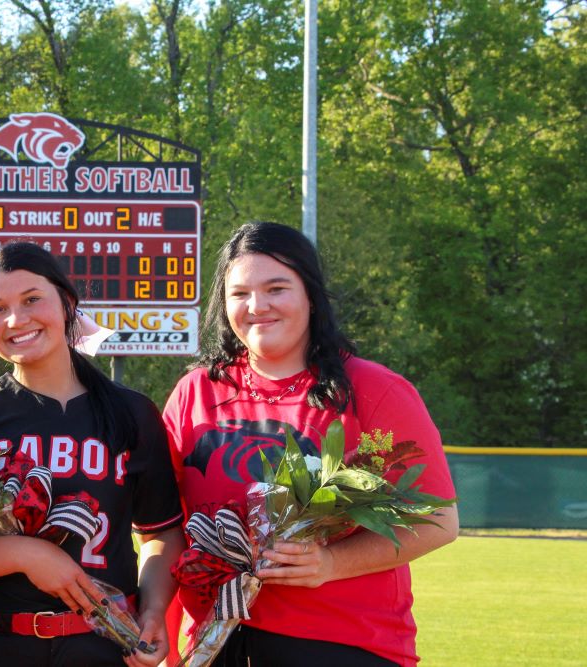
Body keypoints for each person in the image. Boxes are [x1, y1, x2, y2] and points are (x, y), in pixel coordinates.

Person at [162, 222, 458, 667]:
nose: (257, 306)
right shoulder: (195, 392)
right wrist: (165, 643)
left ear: (310, 295)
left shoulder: (374, 391)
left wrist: (331, 564)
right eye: (239, 293)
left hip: (344, 645)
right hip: (215, 644)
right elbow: (165, 530)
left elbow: (438, 519)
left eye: (276, 288)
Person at [0, 241, 185, 667]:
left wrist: (153, 610)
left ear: (67, 303)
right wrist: (26, 554)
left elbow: (160, 532)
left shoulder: (131, 412)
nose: (17, 319)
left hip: (105, 646)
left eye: (32, 299)